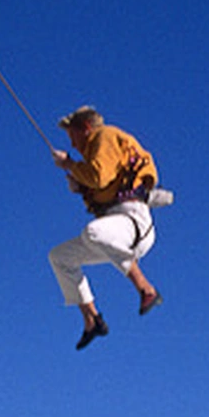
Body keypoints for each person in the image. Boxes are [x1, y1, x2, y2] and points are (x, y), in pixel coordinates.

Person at [48, 106, 162, 348]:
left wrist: (71, 166)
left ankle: (145, 288)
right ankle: (92, 319)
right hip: (117, 229)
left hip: (133, 222)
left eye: (73, 137)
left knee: (93, 232)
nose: (73, 145)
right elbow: (101, 187)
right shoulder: (97, 154)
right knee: (60, 257)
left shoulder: (104, 136)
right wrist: (80, 185)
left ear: (86, 128)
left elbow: (99, 177)